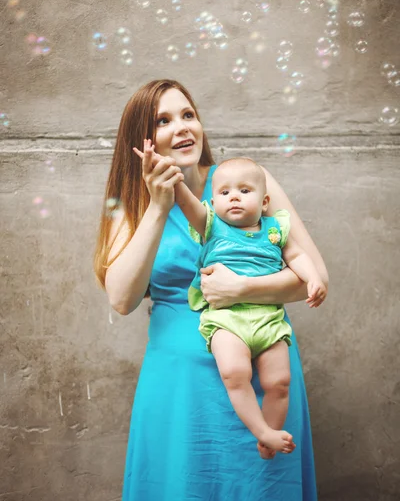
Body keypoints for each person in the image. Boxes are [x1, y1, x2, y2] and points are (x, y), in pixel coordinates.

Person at [94, 79, 329, 500]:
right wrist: (158, 205)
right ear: (141, 141)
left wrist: (241, 288)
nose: (182, 127)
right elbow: (122, 299)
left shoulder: (244, 181)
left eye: (188, 115)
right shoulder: (131, 202)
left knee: (263, 487)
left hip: (263, 375)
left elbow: (312, 277)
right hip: (181, 388)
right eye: (163, 121)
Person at [133, 142, 327, 458]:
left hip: (268, 318)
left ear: (265, 202)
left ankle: (270, 436)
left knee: (279, 381)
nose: (233, 196)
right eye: (224, 193)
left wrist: (313, 277)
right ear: (213, 202)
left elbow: (298, 256)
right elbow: (185, 200)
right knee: (235, 373)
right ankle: (261, 430)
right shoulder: (212, 225)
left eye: (244, 190)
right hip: (226, 320)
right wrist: (168, 173)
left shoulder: (275, 228)